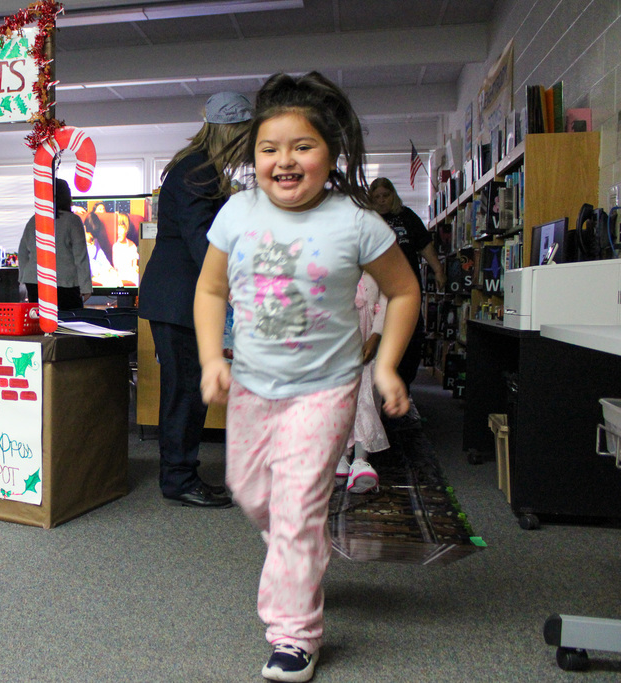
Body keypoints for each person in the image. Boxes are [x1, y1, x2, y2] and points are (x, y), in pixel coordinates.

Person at [194, 72, 420, 681]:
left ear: (330, 153)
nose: (284, 161)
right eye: (270, 148)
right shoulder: (237, 212)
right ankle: (302, 552)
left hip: (325, 389)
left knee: (295, 508)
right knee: (252, 493)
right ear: (253, 155)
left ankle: (294, 634)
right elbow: (211, 288)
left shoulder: (355, 221)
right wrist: (214, 357)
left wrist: (390, 364)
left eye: (302, 147)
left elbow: (402, 291)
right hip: (252, 386)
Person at [138, 91, 253, 509]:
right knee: (184, 392)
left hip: (181, 298)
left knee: (188, 391)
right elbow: (204, 243)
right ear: (232, 131)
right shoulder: (198, 170)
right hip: (179, 299)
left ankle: (182, 473)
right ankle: (179, 479)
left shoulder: (200, 166)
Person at [368, 177, 446, 420]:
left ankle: (404, 390)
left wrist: (439, 270)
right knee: (377, 340)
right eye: (377, 197)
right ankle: (376, 397)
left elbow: (424, 246)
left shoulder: (407, 217)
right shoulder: (367, 220)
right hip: (375, 292)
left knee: (412, 341)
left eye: (385, 195)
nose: (381, 201)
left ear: (393, 196)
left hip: (406, 291)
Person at [334, 272, 389, 493]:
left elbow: (387, 300)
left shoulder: (378, 263)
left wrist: (377, 335)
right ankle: (339, 455)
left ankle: (360, 459)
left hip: (368, 339)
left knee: (366, 394)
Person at [17, 178, 92, 311]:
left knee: (42, 323)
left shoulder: (35, 219)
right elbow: (80, 256)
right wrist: (86, 287)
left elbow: (22, 252)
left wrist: (24, 277)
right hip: (65, 282)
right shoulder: (73, 221)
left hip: (35, 281)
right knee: (69, 323)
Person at [111, 213, 140, 285]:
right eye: (117, 228)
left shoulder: (132, 245)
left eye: (121, 228)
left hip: (131, 274)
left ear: (126, 229)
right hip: (119, 274)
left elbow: (134, 265)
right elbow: (116, 266)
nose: (119, 232)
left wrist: (136, 268)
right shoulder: (115, 246)